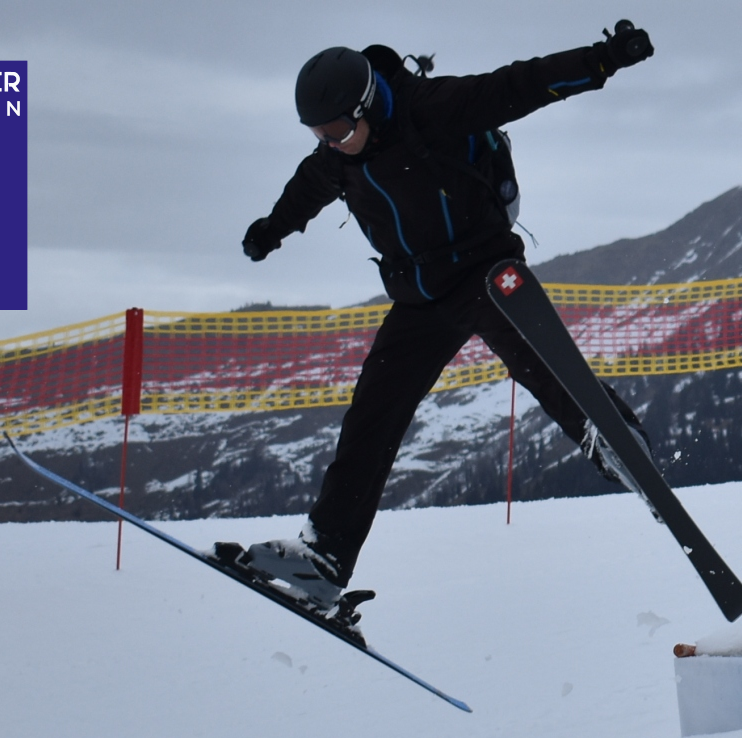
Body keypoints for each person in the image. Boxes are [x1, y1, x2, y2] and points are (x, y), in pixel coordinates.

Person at [234, 22, 656, 619]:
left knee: (538, 361)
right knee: (371, 418)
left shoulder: (431, 108)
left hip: (482, 269)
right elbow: (307, 188)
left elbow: (519, 85)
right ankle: (325, 557)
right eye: (318, 134)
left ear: (366, 106)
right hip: (419, 295)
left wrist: (604, 59)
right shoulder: (337, 157)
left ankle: (613, 440)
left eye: (337, 131)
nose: (330, 143)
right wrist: (270, 231)